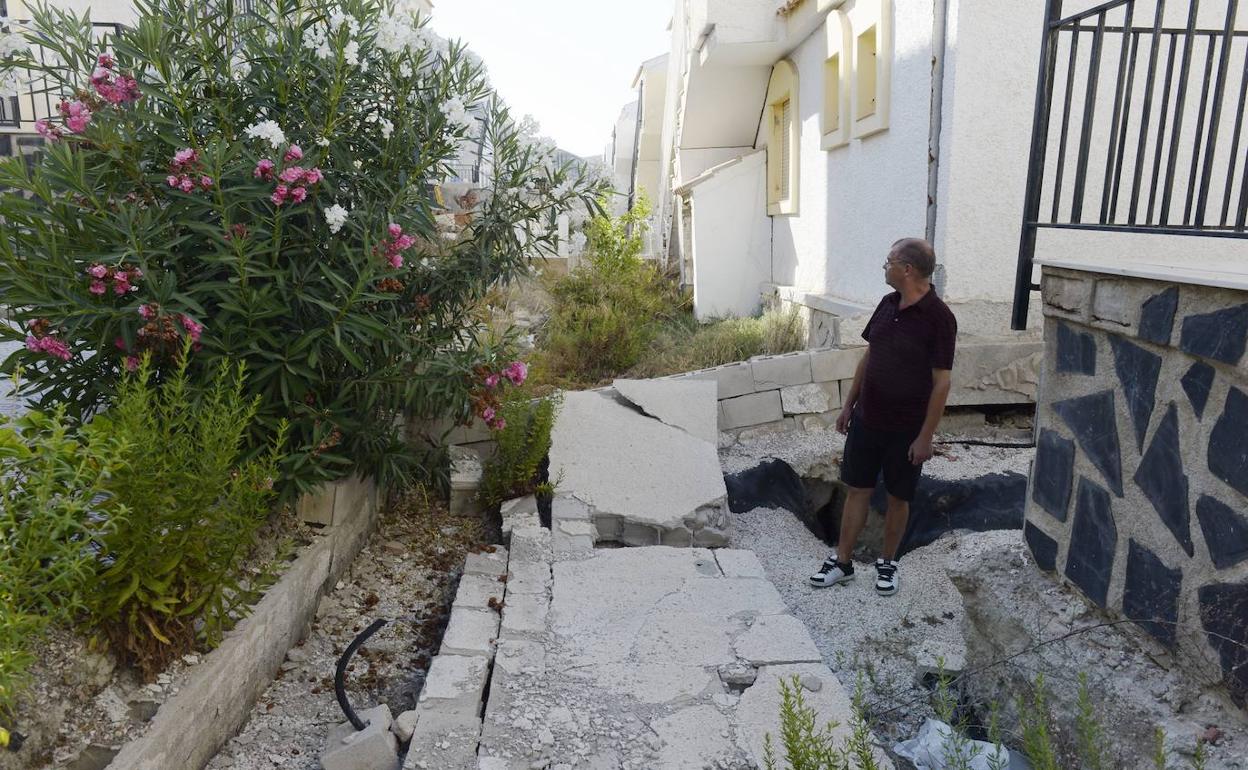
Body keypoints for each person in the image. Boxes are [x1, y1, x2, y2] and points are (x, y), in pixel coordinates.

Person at [808, 238, 956, 596]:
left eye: (888, 262)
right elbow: (869, 357)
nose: (884, 267)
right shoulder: (887, 304)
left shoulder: (940, 319)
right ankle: (842, 562)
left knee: (898, 497)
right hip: (867, 420)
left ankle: (887, 563)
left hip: (906, 429)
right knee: (857, 489)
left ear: (907, 269)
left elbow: (942, 383)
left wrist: (925, 436)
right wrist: (848, 405)